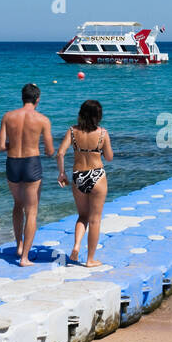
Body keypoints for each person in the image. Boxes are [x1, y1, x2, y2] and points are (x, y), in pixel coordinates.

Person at [0, 83, 54, 266]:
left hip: (12, 162)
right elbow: (50, 151)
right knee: (31, 211)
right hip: (31, 163)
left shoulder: (8, 116)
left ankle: (19, 246)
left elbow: (0, 147)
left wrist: (14, 145)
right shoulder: (42, 119)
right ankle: (25, 258)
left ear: (22, 98)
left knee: (17, 204)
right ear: (37, 99)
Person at [57, 99, 113, 267]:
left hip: (78, 176)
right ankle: (90, 259)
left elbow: (60, 153)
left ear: (81, 114)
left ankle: (76, 245)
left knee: (82, 216)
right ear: (98, 116)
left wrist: (62, 174)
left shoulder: (72, 131)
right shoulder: (103, 133)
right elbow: (109, 158)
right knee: (95, 220)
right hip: (97, 176)